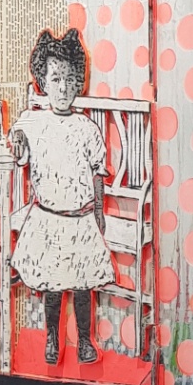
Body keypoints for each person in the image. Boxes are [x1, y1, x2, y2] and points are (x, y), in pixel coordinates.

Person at [9, 28, 115, 365]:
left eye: (70, 80)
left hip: (80, 219)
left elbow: (98, 172)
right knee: (52, 286)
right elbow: (19, 151)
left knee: (83, 286)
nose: (63, 88)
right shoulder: (33, 121)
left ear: (79, 82)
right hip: (49, 219)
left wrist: (98, 212)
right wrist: (18, 144)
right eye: (56, 79)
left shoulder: (86, 127)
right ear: (43, 81)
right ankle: (52, 338)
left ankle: (84, 340)